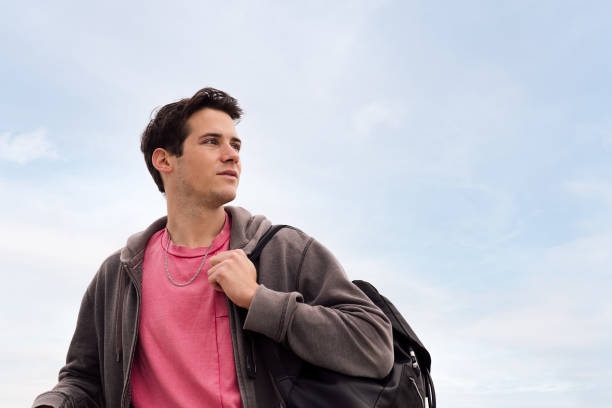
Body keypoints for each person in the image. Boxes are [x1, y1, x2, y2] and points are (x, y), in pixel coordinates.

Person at [32, 87, 394, 407]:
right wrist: (53, 404)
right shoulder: (119, 274)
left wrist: (259, 300)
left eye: (235, 144)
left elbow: (376, 347)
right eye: (211, 141)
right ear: (164, 160)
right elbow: (83, 380)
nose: (231, 154)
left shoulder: (285, 251)